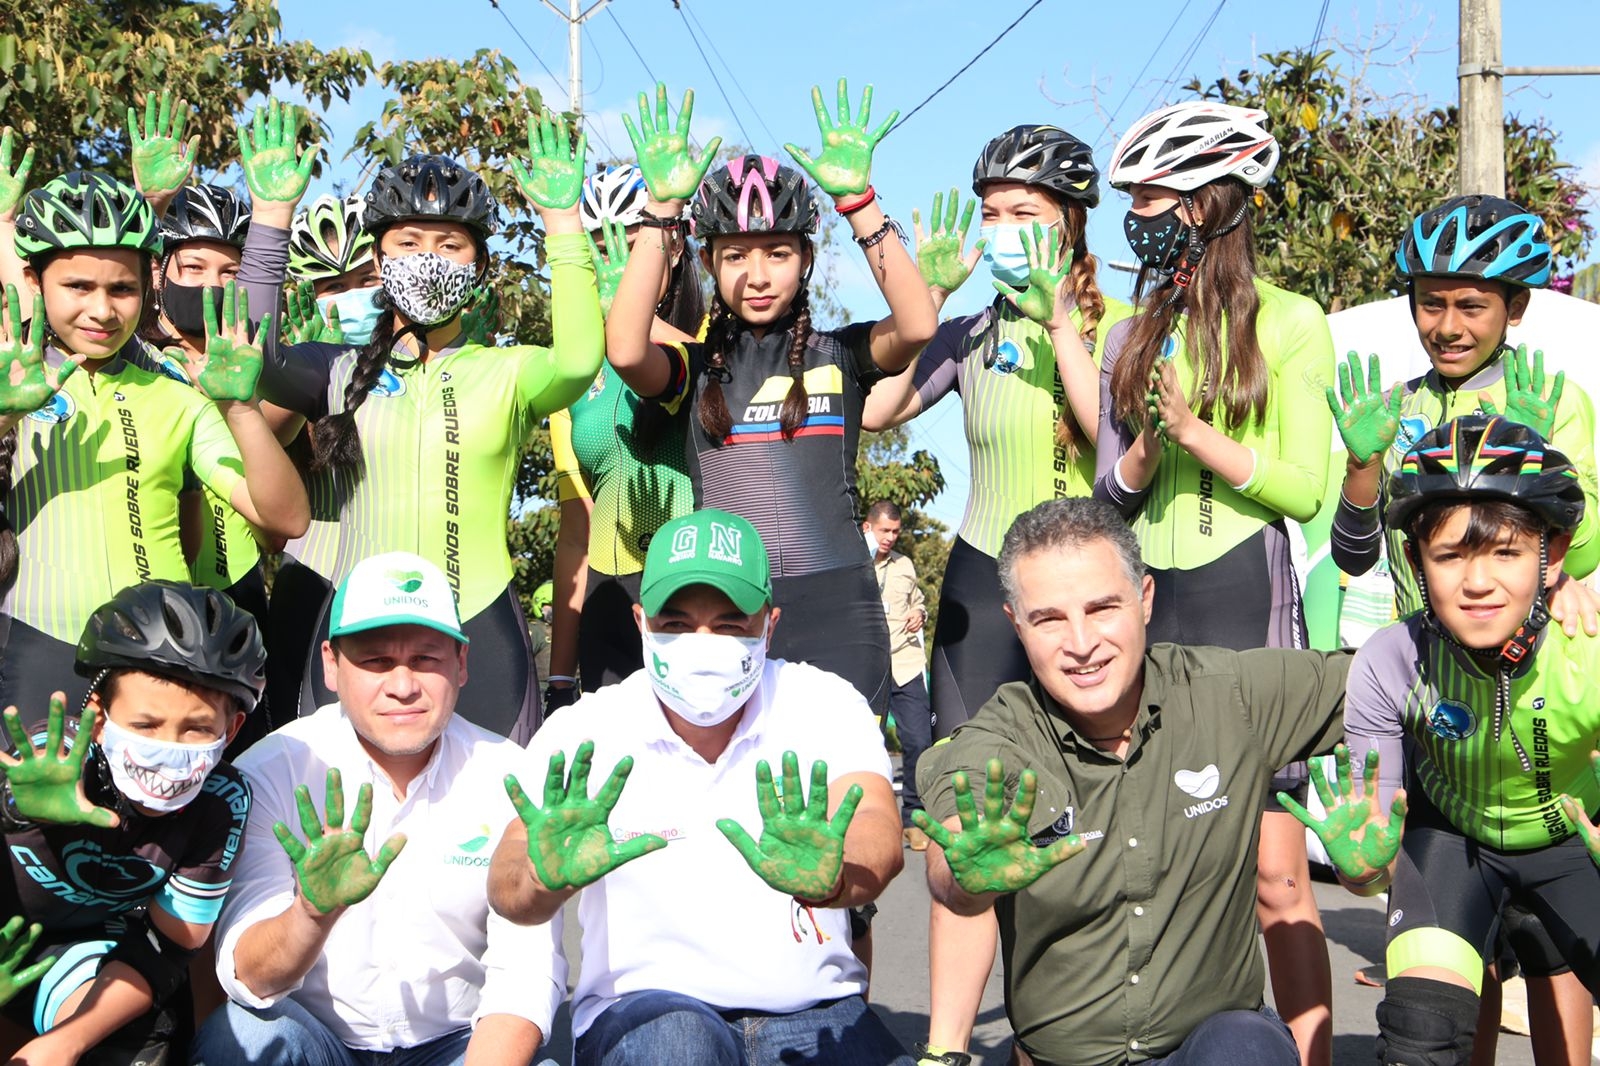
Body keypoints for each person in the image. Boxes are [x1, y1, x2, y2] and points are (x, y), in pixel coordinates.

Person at [913, 496, 1350, 1066]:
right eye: (1048, 619)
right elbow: (952, 853)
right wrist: (963, 877)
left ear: (1144, 600)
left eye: (1102, 609)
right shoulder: (998, 740)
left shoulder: (1232, 694)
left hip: (1213, 1044)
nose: (1081, 643)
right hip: (1062, 1057)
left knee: (1242, 1050)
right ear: (1016, 625)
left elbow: (1393, 675)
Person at [487, 508, 911, 1066]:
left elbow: (875, 826)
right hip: (644, 1012)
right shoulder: (584, 730)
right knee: (679, 1046)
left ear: (770, 624)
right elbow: (509, 877)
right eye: (677, 624)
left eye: (731, 624)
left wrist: (834, 876)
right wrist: (542, 878)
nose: (702, 643)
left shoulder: (823, 703)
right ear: (641, 622)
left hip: (814, 1011)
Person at [1094, 100, 1337, 1065]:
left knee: (1276, 873)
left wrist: (1199, 436)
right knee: (1145, 859)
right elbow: (1112, 499)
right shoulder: (1128, 332)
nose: (1137, 217)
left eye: (1150, 197)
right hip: (1152, 600)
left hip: (1246, 593)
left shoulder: (1292, 320)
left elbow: (1309, 491)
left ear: (1208, 202)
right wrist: (1151, 451)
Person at [257, 116, 605, 741]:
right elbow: (254, 357)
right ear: (377, 257)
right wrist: (270, 217)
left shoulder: (508, 372)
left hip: (481, 631)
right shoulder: (333, 369)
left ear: (480, 264)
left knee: (493, 827)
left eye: (450, 246)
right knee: (337, 828)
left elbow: (580, 360)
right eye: (408, 243)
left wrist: (562, 223)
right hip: (353, 629)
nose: (427, 260)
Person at [604, 81, 938, 716]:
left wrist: (860, 204)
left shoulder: (840, 353)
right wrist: (659, 213)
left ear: (806, 257)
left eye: (778, 253)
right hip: (728, 610)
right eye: (734, 256)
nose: (757, 275)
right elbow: (624, 348)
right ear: (707, 261)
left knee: (845, 796)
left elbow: (918, 323)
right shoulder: (695, 368)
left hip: (839, 608)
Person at [1288, 415, 1600, 1066]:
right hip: (1453, 844)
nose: (1477, 582)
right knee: (1419, 1040)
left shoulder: (1589, 651)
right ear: (1415, 559)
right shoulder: (1388, 660)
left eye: (1506, 553)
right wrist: (1361, 867)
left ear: (1555, 554)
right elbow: (1371, 857)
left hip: (1577, 844)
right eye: (1450, 555)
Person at [194, 551, 565, 1065]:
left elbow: (524, 973)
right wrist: (310, 914)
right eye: (375, 661)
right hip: (319, 1041)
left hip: (458, 1043)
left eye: (426, 659)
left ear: (461, 663)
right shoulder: (271, 773)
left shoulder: (512, 777)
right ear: (331, 664)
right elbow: (248, 974)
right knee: (246, 1038)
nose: (403, 684)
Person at [0, 167, 308, 717]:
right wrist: (5, 417)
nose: (102, 310)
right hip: (33, 651)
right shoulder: (11, 379)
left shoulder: (178, 399)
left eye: (122, 289)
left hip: (162, 664)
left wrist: (238, 408)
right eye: (78, 287)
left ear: (150, 287)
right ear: (33, 282)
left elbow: (285, 519)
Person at [862, 123, 1132, 738]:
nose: (1002, 227)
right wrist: (928, 296)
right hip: (984, 580)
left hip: (1089, 582)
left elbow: (1111, 437)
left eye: (1023, 211)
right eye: (991, 213)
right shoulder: (965, 334)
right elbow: (879, 411)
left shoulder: (1121, 326)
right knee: (962, 784)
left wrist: (1061, 323)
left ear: (1067, 221)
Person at [0, 581, 264, 1064]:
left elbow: (165, 950)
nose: (171, 749)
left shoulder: (222, 805)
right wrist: (13, 809)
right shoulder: (47, 762)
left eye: (198, 728)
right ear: (98, 719)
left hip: (73, 954)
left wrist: (65, 1043)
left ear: (232, 730)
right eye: (145, 726)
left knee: (138, 1044)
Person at [1329, 194, 1599, 621]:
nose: (1448, 328)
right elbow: (1353, 560)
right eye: (1431, 304)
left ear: (1515, 307)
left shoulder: (1553, 402)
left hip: (1522, 662)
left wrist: (1536, 458)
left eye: (1471, 307)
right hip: (1419, 664)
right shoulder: (1390, 412)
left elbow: (1581, 557)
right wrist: (1362, 467)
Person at [547, 164, 704, 709]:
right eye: (603, 247)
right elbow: (576, 531)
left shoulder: (713, 333)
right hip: (611, 595)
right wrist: (561, 678)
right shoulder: (576, 372)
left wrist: (633, 319)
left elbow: (717, 387)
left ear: (676, 245)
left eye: (638, 246)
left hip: (701, 585)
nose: (623, 263)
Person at [263, 192, 380, 727]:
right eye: (332, 287)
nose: (351, 298)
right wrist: (303, 382)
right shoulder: (298, 360)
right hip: (311, 572)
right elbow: (255, 441)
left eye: (364, 280)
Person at [862, 501, 933, 850]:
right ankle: (871, 820)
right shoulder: (853, 565)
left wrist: (919, 612)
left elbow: (917, 601)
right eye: (883, 531)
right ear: (867, 528)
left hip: (905, 664)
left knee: (919, 740)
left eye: (895, 532)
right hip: (868, 668)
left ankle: (914, 819)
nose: (890, 538)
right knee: (866, 745)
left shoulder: (904, 565)